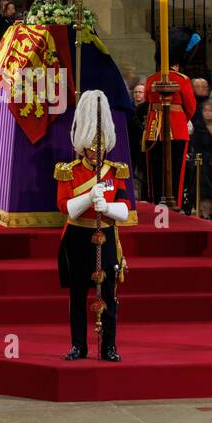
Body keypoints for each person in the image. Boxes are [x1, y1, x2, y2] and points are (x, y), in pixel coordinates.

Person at [56, 91, 132, 363]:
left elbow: (126, 211)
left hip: (107, 234)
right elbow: (64, 207)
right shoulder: (70, 170)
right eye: (92, 147)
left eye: (101, 148)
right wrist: (89, 197)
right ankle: (78, 345)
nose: (97, 153)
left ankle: (109, 346)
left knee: (109, 294)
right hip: (78, 235)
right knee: (78, 294)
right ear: (84, 146)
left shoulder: (115, 171)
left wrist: (108, 208)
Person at [141, 30, 198, 206]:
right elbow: (190, 108)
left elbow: (147, 102)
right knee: (175, 172)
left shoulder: (151, 80)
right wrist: (179, 119)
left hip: (153, 129)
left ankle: (156, 202)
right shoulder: (183, 80)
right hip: (177, 130)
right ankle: (174, 205)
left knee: (155, 171)